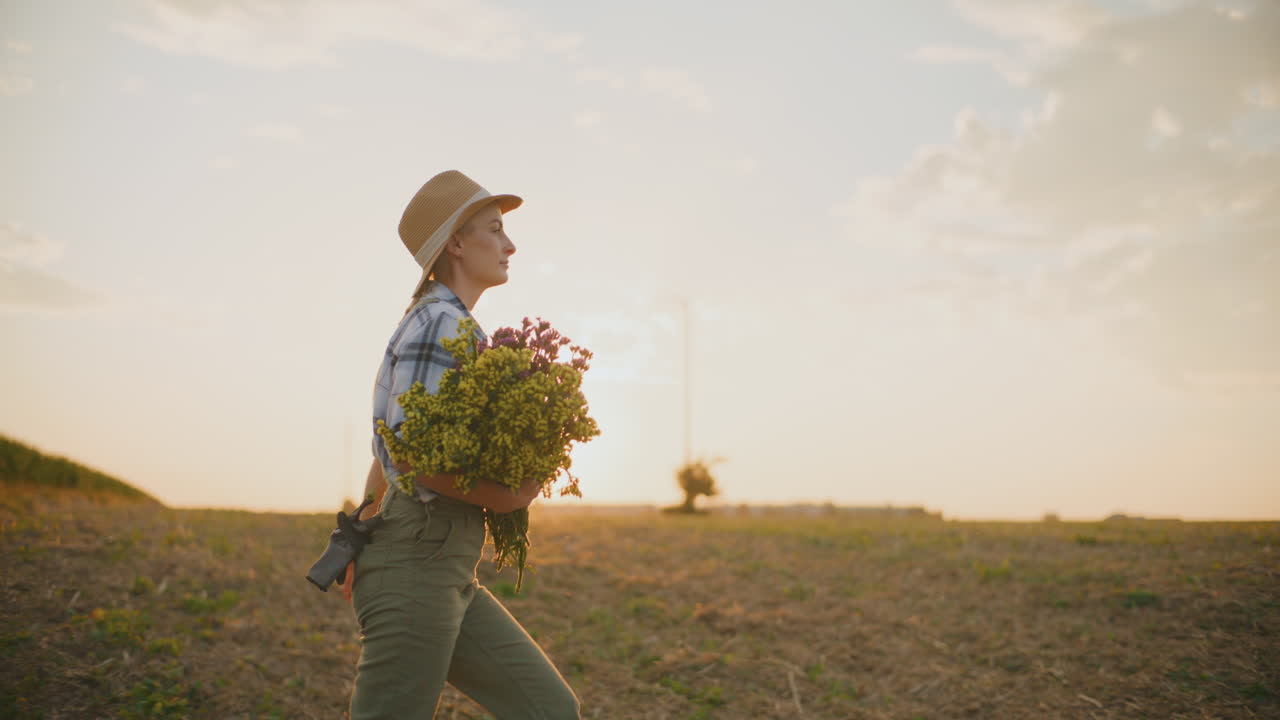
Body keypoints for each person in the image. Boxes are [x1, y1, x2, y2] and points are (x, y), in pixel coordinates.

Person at [342, 170, 581, 719]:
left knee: (549, 711)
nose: (510, 244)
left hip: (444, 568)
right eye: (494, 229)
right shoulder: (440, 325)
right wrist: (509, 497)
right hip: (418, 565)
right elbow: (408, 452)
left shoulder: (451, 325)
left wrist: (363, 526)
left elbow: (388, 447)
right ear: (454, 243)